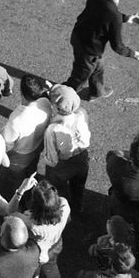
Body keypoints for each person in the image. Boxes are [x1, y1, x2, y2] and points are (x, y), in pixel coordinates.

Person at [66, 0, 139, 99]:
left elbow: (102, 12)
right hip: (90, 50)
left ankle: (97, 91)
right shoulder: (114, 17)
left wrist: (126, 18)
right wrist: (133, 54)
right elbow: (117, 46)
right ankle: (61, 95)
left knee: (97, 68)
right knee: (79, 77)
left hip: (78, 35)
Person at [11, 177, 70, 278]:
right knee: (52, 270)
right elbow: (68, 218)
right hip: (55, 246)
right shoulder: (64, 205)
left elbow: (11, 212)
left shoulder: (30, 221)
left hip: (37, 254)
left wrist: (20, 191)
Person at [43, 85, 90, 215]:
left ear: (57, 107)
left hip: (62, 165)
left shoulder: (52, 129)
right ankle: (77, 207)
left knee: (57, 190)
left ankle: (61, 212)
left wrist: (51, 168)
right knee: (78, 187)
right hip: (81, 159)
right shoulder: (81, 114)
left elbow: (51, 157)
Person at [0, 74, 51, 188]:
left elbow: (8, 143)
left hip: (20, 154)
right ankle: (32, 180)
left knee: (16, 177)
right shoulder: (45, 103)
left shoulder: (16, 119)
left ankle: (20, 194)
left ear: (21, 93)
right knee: (33, 167)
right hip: (38, 146)